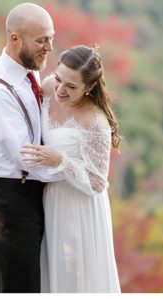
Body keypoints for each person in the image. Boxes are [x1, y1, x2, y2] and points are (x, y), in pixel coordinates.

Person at [0, 2, 59, 293]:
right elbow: (27, 158)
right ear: (14, 39)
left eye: (51, 38)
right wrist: (71, 169)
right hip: (7, 200)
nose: (49, 47)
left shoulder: (30, 73)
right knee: (17, 288)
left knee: (33, 284)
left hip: (31, 194)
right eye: (41, 40)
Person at [21, 45, 122, 292]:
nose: (60, 90)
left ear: (89, 87)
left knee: (78, 277)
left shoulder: (95, 122)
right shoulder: (48, 87)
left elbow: (98, 183)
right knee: (52, 272)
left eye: (71, 87)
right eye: (59, 79)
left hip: (80, 207)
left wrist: (61, 161)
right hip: (50, 201)